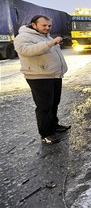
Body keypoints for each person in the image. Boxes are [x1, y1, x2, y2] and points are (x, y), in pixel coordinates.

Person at [13, 15, 71, 144]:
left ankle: (54, 126)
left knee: (54, 103)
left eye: (49, 25)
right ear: (34, 25)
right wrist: (51, 43)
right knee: (44, 106)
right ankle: (46, 133)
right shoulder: (23, 37)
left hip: (54, 75)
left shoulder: (45, 36)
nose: (47, 28)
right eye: (44, 25)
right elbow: (26, 51)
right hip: (39, 77)